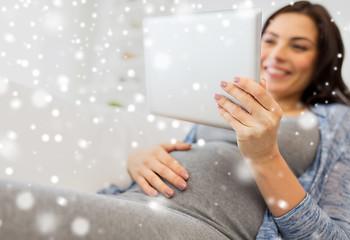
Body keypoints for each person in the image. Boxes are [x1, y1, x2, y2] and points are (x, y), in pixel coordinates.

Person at [0, 1, 349, 239]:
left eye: (299, 46)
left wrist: (264, 156)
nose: (276, 54)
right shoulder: (226, 102)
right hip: (129, 202)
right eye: (269, 39)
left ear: (321, 60)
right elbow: (191, 156)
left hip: (195, 225)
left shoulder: (338, 124)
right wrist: (138, 159)